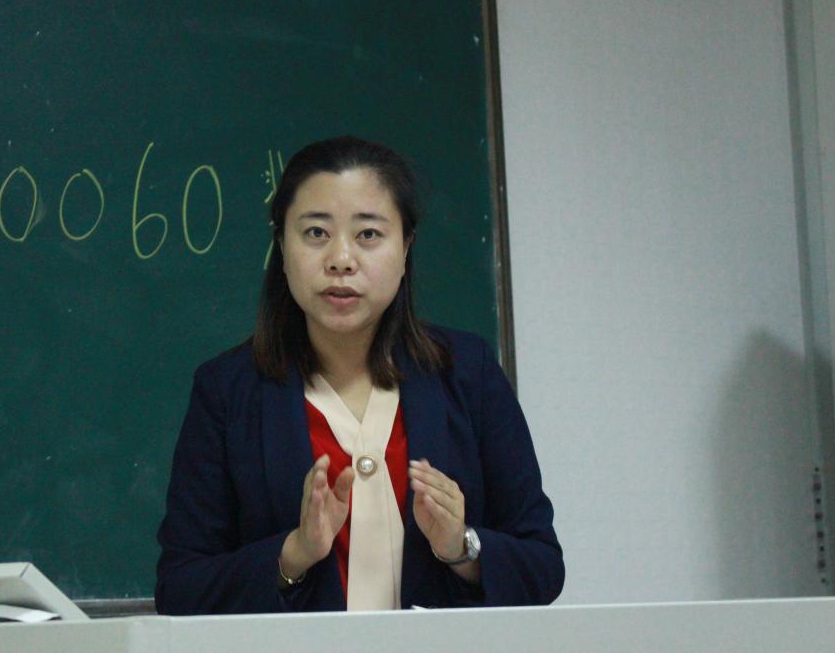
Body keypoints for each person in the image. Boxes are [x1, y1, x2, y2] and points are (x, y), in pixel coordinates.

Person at [155, 136, 563, 614]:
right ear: (281, 246)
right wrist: (294, 553)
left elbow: (542, 568)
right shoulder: (228, 390)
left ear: (406, 246)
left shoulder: (467, 372)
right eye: (316, 233)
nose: (341, 259)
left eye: (368, 234)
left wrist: (461, 546)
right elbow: (180, 588)